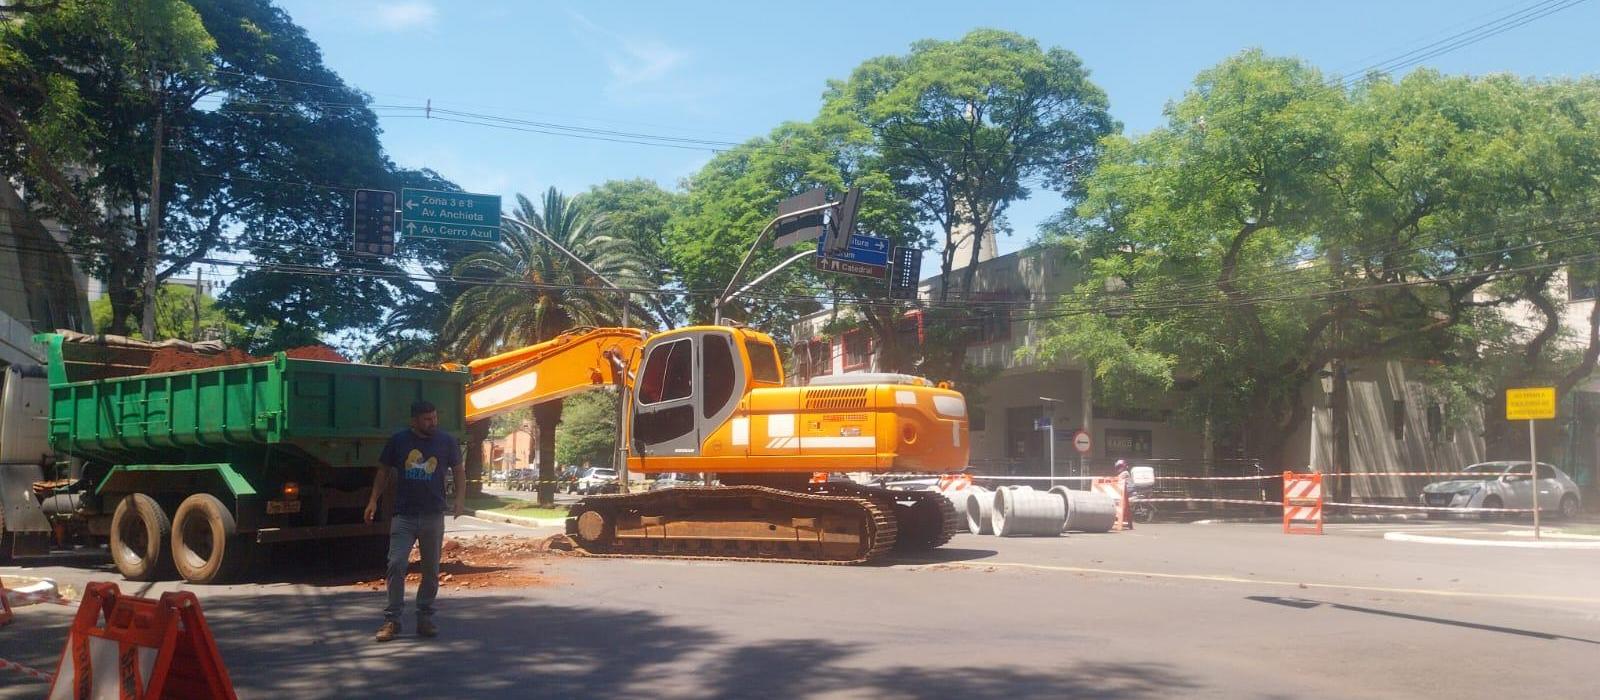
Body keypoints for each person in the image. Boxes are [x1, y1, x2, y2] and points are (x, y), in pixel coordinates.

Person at [364, 400, 465, 642]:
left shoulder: (446, 441)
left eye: (435, 417)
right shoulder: (398, 441)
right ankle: (392, 620)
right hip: (404, 516)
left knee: (431, 570)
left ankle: (425, 617)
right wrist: (373, 500)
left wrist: (460, 499)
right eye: (427, 419)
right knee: (396, 564)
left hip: (433, 515)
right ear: (414, 421)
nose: (433, 423)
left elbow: (460, 471)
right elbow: (383, 471)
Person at [1114, 459, 1134, 530]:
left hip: (1128, 491)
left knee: (1117, 502)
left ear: (1123, 467)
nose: (1119, 469)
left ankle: (1118, 517)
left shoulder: (1125, 473)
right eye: (1118, 467)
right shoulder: (1123, 473)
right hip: (1125, 492)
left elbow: (1117, 479)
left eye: (1120, 467)